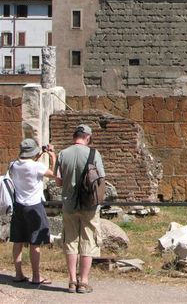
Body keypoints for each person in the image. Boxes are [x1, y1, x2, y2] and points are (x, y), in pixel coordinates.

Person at [55, 124, 105, 294]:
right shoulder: (94, 154)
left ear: (74, 136)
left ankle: (71, 281)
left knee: (70, 240)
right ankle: (83, 281)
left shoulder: (63, 153)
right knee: (89, 240)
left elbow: (58, 182)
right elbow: (100, 179)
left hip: (69, 203)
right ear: (88, 137)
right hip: (89, 204)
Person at [9, 139, 56, 285]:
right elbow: (53, 173)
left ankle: (18, 274)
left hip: (18, 206)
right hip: (34, 206)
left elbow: (26, 164)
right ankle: (36, 276)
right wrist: (52, 155)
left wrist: (38, 154)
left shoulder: (13, 165)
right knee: (35, 242)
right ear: (33, 152)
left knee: (18, 241)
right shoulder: (37, 167)